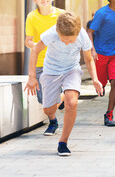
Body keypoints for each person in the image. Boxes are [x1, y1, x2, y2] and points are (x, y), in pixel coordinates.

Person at [24, 12, 103, 156]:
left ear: (77, 32)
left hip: (71, 70)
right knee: (48, 110)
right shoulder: (52, 33)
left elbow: (88, 59)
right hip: (51, 71)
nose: (66, 43)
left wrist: (95, 79)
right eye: (63, 40)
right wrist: (31, 77)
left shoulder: (82, 36)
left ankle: (63, 142)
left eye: (70, 41)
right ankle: (59, 103)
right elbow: (35, 50)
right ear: (58, 32)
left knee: (72, 103)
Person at [24, 0, 65, 136]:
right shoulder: (32, 17)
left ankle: (54, 119)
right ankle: (54, 117)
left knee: (54, 98)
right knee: (43, 99)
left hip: (60, 63)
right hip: (40, 63)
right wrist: (37, 46)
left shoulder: (61, 14)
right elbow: (27, 40)